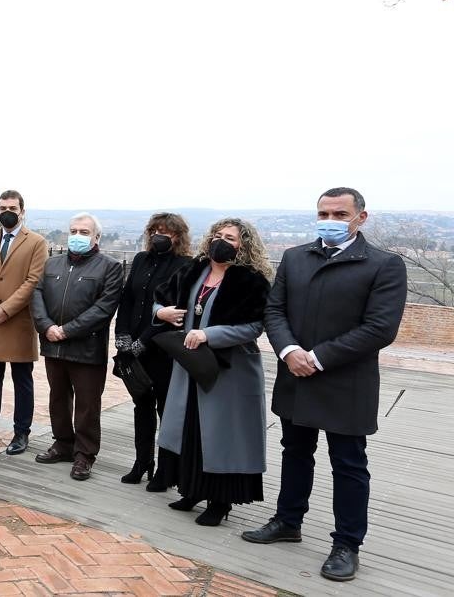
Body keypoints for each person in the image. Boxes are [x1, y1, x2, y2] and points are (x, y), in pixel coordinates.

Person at [242, 188, 407, 583]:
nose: (329, 219)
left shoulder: (383, 265)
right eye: (323, 212)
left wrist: (317, 358)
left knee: (348, 464)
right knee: (295, 452)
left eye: (339, 213)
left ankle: (347, 543)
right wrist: (289, 351)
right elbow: (274, 310)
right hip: (294, 374)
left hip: (346, 380)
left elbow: (379, 328)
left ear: (360, 218)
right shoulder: (297, 257)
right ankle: (288, 520)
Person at [152, 219, 272, 526]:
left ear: (243, 244)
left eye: (229, 238)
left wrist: (211, 335)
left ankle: (220, 502)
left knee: (221, 436)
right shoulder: (195, 270)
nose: (221, 241)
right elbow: (160, 299)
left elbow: (254, 326)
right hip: (190, 367)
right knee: (190, 429)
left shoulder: (251, 280)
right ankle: (191, 490)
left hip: (229, 372)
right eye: (217, 235)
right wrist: (160, 312)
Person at [31, 212, 124, 480]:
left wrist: (67, 330)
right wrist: (46, 326)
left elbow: (104, 308)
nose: (77, 236)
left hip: (86, 350)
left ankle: (84, 455)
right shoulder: (52, 264)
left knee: (87, 404)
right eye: (74, 231)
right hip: (53, 346)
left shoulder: (110, 267)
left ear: (97, 237)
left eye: (84, 232)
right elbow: (36, 295)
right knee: (57, 398)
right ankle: (62, 444)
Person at [113, 212, 193, 487]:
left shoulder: (185, 265)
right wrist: (122, 338)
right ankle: (142, 461)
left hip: (162, 349)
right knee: (141, 406)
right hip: (132, 350)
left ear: (178, 236)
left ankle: (166, 471)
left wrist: (142, 342)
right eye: (156, 230)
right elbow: (127, 300)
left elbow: (175, 312)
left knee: (165, 410)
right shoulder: (140, 260)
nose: (160, 235)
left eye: (166, 231)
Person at [0, 190, 48, 455]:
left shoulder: (36, 242)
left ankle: (21, 433)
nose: (7, 211)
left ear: (22, 211)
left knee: (21, 380)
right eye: (3, 207)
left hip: (18, 321)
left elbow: (34, 281)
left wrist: (7, 308)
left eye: (12, 207)